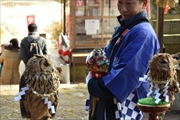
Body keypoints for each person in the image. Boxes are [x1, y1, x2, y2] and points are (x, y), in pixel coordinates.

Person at [86, 0, 160, 120]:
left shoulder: (143, 32)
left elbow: (127, 73)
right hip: (107, 100)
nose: (123, 9)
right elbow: (105, 56)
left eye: (129, 3)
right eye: (120, 2)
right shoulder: (127, 27)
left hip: (124, 103)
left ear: (144, 3)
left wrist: (94, 84)